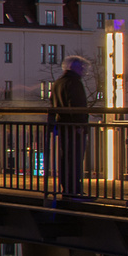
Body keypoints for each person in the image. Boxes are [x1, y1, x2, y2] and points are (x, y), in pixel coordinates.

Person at [52, 56, 90, 197]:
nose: (84, 71)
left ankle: (67, 187)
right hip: (74, 128)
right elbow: (77, 105)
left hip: (63, 126)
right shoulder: (75, 83)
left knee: (65, 158)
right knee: (75, 158)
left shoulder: (58, 83)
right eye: (82, 68)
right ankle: (75, 188)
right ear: (75, 68)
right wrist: (81, 125)